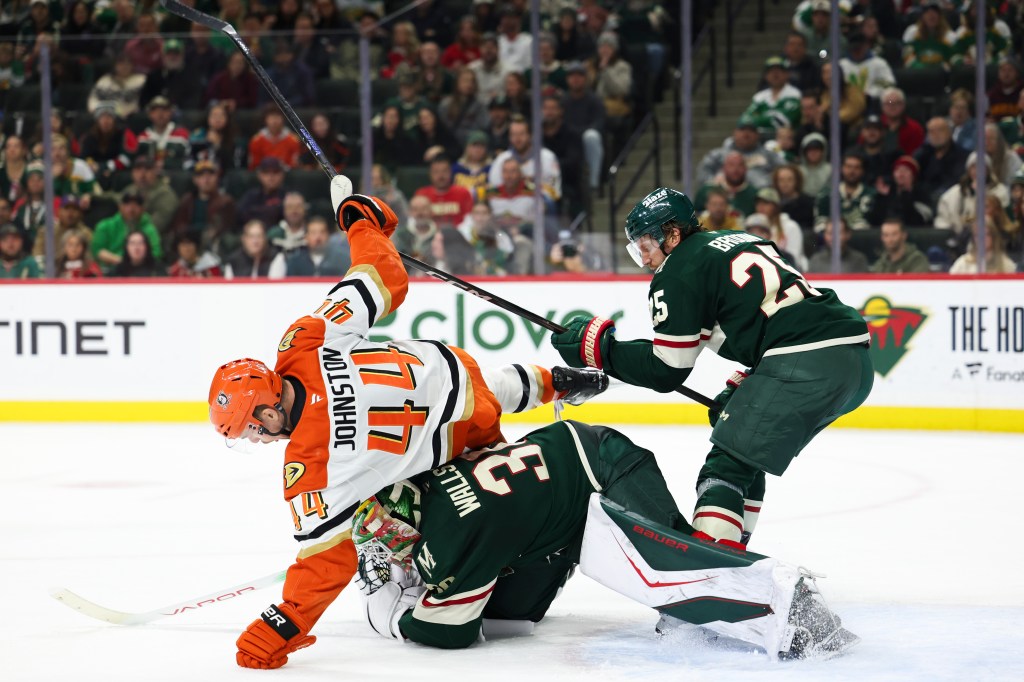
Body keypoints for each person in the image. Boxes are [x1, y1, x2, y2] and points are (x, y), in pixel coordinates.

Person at [207, 183, 607, 670]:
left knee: (374, 530)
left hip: (460, 449)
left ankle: (475, 577)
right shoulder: (302, 341)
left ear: (268, 413)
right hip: (451, 370)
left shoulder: (310, 465)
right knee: (483, 391)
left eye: (250, 430)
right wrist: (362, 223)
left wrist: (286, 622)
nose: (257, 439)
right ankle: (554, 382)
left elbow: (326, 561)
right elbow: (381, 275)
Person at [355, 420, 857, 660]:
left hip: (602, 467)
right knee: (510, 615)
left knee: (672, 573)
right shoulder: (430, 477)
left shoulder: (451, 535)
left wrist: (391, 615)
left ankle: (789, 603)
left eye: (388, 530)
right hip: (563, 483)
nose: (392, 544)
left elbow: (449, 634)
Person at [549, 188, 872, 547]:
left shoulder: (678, 269)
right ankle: (734, 554)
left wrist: (599, 351)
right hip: (853, 361)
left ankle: (713, 560)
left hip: (804, 359)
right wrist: (753, 381)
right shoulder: (739, 239)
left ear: (673, 235)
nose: (644, 257)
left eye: (646, 244)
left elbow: (667, 368)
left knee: (726, 465)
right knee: (744, 454)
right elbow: (772, 316)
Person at [169, 160, 238, 258]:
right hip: (188, 240)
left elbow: (223, 227)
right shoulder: (187, 200)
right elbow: (179, 225)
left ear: (217, 178)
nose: (206, 179)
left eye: (210, 175)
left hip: (211, 243)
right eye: (201, 175)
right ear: (195, 180)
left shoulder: (225, 202)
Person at [92, 192, 163, 274]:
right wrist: (123, 262)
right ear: (120, 207)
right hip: (110, 271)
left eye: (136, 205)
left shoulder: (150, 229)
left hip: (143, 271)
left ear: (142, 209)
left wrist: (136, 262)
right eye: (127, 204)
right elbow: (97, 251)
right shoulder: (104, 226)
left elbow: (156, 253)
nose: (132, 209)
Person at [269, 216, 349, 278]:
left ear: (328, 235)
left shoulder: (342, 259)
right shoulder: (295, 261)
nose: (318, 237)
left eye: (322, 232)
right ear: (306, 237)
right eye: (313, 233)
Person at [814, 152, 875, 232]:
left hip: (860, 238)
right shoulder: (826, 194)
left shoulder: (872, 195)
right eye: (848, 166)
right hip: (831, 237)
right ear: (841, 168)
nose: (852, 171)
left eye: (857, 167)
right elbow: (819, 225)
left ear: (862, 170)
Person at [743, 57, 802, 139]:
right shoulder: (759, 97)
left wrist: (759, 117)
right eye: (771, 71)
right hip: (759, 139)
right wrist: (772, 116)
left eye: (779, 71)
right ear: (766, 76)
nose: (775, 74)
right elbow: (745, 119)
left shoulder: (794, 94)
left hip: (786, 140)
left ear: (786, 74)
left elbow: (783, 121)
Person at [870, 155, 934, 227]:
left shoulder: (922, 195)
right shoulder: (886, 195)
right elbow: (875, 221)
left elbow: (923, 220)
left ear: (913, 175)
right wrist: (883, 198)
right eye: (897, 170)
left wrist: (906, 197)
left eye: (905, 170)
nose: (900, 174)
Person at [414, 155, 475, 228]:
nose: (441, 176)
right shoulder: (421, 194)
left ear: (450, 172)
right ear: (430, 174)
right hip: (429, 232)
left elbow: (469, 220)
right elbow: (415, 219)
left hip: (459, 232)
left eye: (444, 171)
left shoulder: (463, 193)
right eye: (436, 172)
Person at [135, 96, 191, 170]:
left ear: (171, 112)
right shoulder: (142, 137)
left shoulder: (182, 134)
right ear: (149, 114)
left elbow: (188, 160)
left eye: (164, 110)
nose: (160, 114)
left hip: (175, 173)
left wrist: (167, 164)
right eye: (155, 110)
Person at [237, 157, 287, 229]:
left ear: (282, 175)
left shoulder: (288, 196)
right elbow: (241, 216)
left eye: (275, 172)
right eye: (266, 172)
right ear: (259, 175)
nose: (271, 177)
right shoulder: (251, 196)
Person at [248, 104, 301, 170]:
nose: (274, 121)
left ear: (283, 119)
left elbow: (294, 166)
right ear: (265, 119)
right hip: (263, 174)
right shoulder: (256, 140)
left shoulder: (293, 140)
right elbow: (253, 166)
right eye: (271, 118)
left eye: (277, 117)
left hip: (286, 174)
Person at [949, 223, 1017, 274]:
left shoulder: (1005, 263)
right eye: (977, 235)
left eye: (986, 234)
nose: (982, 238)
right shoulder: (963, 262)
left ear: (993, 237)